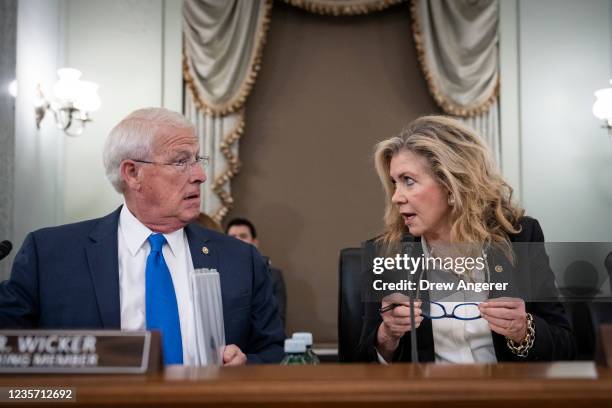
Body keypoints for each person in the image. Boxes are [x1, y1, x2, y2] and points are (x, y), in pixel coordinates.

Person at [0, 108, 285, 365]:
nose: (200, 175)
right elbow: (8, 350)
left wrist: (246, 364)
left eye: (197, 160)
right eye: (180, 162)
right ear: (133, 173)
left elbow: (272, 351)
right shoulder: (50, 255)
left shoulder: (241, 259)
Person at [356, 115, 575, 363]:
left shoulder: (520, 237)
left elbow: (565, 345)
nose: (396, 197)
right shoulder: (388, 254)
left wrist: (523, 330)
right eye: (395, 183)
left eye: (408, 181)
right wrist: (387, 335)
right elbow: (360, 362)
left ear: (452, 185)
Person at [226, 218, 287, 329]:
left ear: (255, 242)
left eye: (243, 236)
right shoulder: (218, 275)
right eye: (232, 237)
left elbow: (278, 319)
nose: (238, 240)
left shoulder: (273, 275)